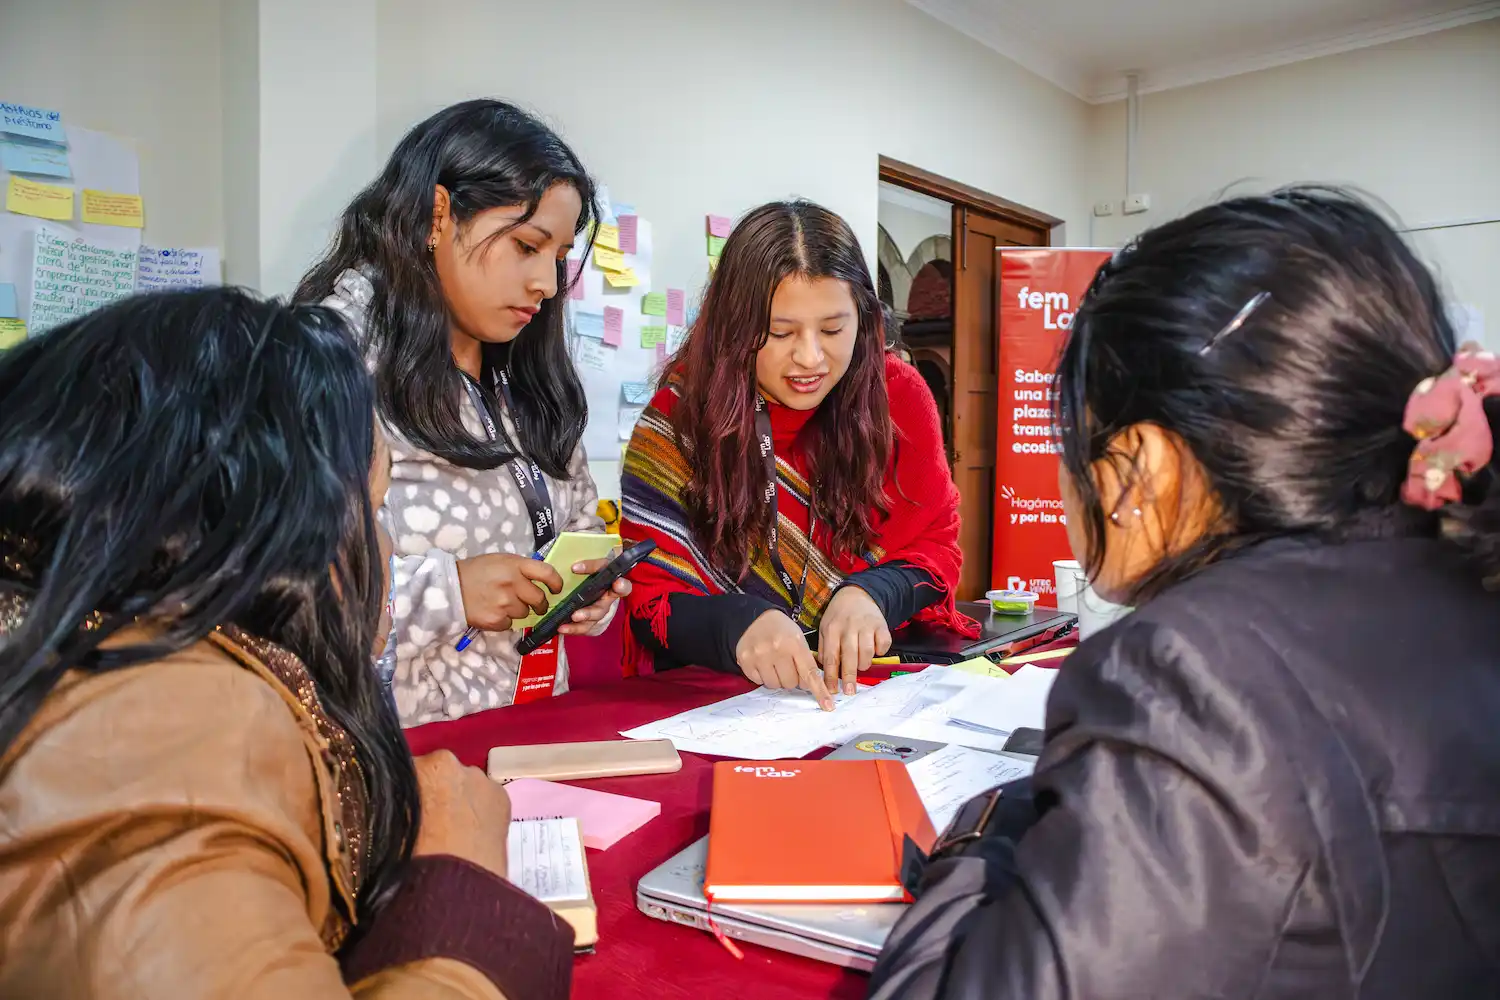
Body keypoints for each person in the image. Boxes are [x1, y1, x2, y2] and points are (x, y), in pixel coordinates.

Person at [868, 188, 1500, 998]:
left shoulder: (1193, 679)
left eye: (1072, 440)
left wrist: (981, 836)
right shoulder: (1465, 596)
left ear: (1143, 471)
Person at [0, 290, 572, 998]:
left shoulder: (110, 655)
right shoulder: (169, 726)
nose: (384, 544)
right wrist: (461, 891)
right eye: (376, 503)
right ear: (279, 517)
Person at [296, 99, 627, 726]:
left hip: (524, 736)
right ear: (438, 215)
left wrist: (590, 591)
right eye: (526, 246)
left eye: (558, 258)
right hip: (391, 758)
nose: (547, 285)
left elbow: (578, 521)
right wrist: (450, 594)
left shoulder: (523, 372)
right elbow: (283, 591)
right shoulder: (330, 362)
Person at [620, 200, 975, 705]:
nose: (810, 358)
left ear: (866, 318)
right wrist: (735, 624)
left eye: (833, 330)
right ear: (734, 327)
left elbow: (937, 544)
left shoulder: (898, 398)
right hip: (713, 704)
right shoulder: (681, 421)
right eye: (780, 332)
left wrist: (873, 592)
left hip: (867, 694)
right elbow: (649, 594)